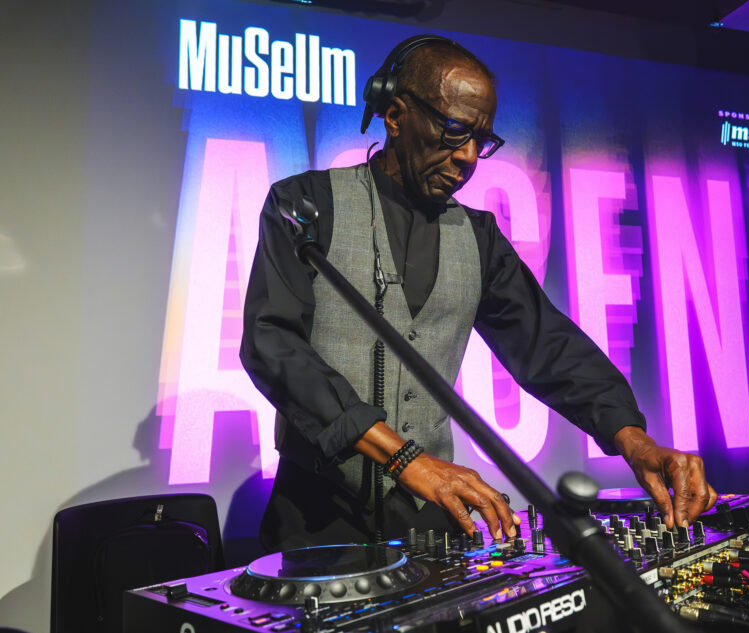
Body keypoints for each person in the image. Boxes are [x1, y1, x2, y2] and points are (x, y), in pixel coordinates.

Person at [240, 35, 716, 553]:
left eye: (480, 140)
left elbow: (546, 345)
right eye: (453, 131)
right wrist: (404, 459)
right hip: (313, 518)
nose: (467, 157)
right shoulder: (305, 205)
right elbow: (272, 343)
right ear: (395, 115)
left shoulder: (479, 237)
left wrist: (634, 441)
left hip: (429, 522)